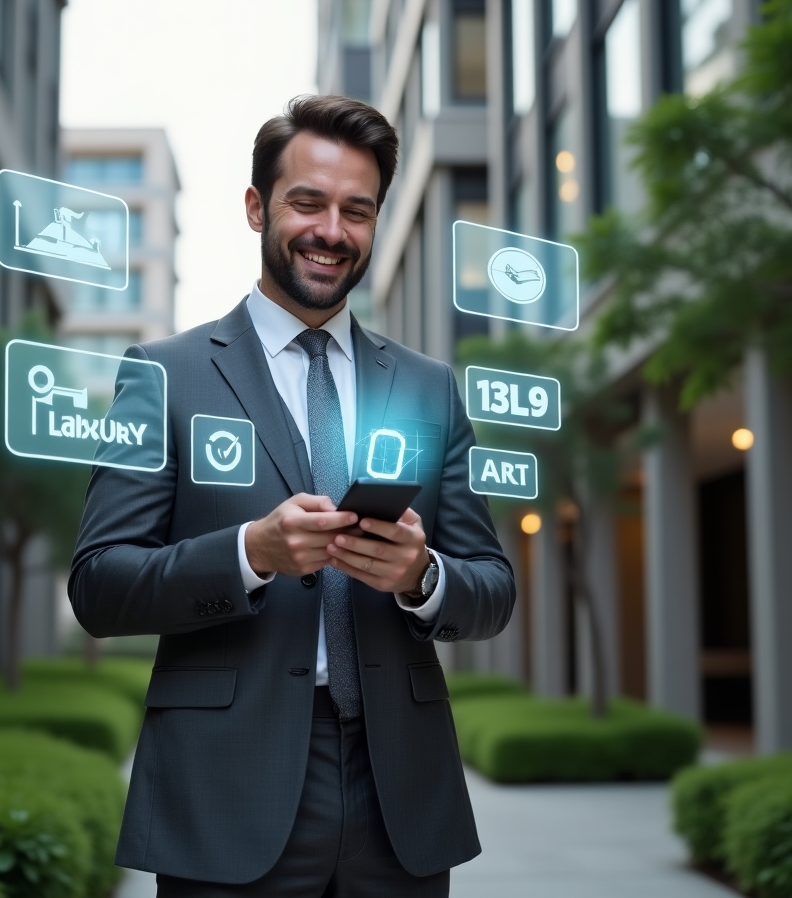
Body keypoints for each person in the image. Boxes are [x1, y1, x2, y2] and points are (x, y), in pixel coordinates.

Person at [69, 95, 516, 897]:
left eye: (357, 210)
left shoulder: (428, 388)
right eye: (307, 202)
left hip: (400, 795)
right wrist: (250, 554)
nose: (331, 232)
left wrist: (423, 576)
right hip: (227, 791)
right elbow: (100, 585)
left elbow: (491, 588)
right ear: (256, 207)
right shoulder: (164, 375)